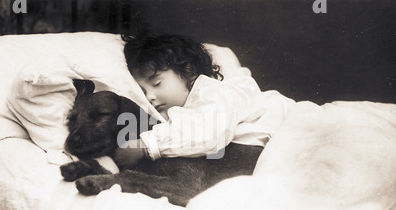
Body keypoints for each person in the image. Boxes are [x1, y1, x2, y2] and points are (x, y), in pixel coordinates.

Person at [114, 32, 295, 167]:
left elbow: (210, 133)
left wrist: (147, 145)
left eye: (157, 83)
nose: (149, 97)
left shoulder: (211, 91)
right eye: (143, 91)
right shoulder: (187, 108)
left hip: (298, 125)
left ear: (189, 70)